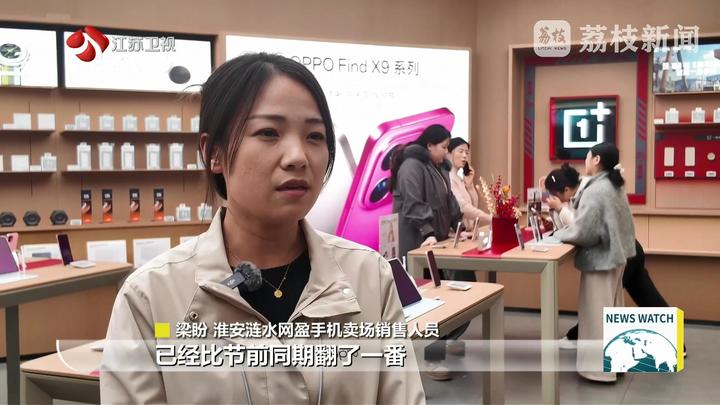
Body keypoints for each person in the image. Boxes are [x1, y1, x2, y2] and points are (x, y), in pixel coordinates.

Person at [101, 53, 425, 404]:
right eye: (269, 132)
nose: (298, 157)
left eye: (315, 136)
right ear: (213, 152)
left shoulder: (369, 276)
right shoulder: (150, 296)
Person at [544, 163, 676, 353]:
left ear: (565, 189)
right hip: (628, 250)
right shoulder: (581, 192)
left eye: (554, 195)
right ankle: (677, 343)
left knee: (600, 301)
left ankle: (577, 336)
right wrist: (557, 213)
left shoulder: (590, 192)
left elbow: (582, 228)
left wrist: (560, 209)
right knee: (646, 297)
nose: (553, 199)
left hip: (619, 253)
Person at [552, 142, 636, 383]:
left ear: (597, 160)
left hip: (601, 260)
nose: (586, 161)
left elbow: (585, 232)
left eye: (588, 156)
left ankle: (598, 370)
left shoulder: (597, 190)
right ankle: (616, 365)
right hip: (616, 257)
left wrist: (559, 235)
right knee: (613, 312)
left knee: (596, 315)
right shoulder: (613, 184)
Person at [390, 125, 466, 381]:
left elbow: (450, 203)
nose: (446, 153)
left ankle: (443, 343)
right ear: (429, 145)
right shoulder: (412, 166)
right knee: (428, 302)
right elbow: (413, 204)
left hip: (437, 244)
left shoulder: (438, 168)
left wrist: (459, 227)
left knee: (454, 292)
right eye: (444, 147)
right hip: (417, 245)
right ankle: (432, 358)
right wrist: (427, 232)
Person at [447, 137, 491, 231]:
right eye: (461, 151)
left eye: (466, 153)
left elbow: (473, 205)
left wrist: (469, 186)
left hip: (467, 232)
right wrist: (489, 218)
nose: (464, 156)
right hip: (455, 233)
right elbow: (462, 207)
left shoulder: (460, 179)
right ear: (449, 153)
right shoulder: (448, 178)